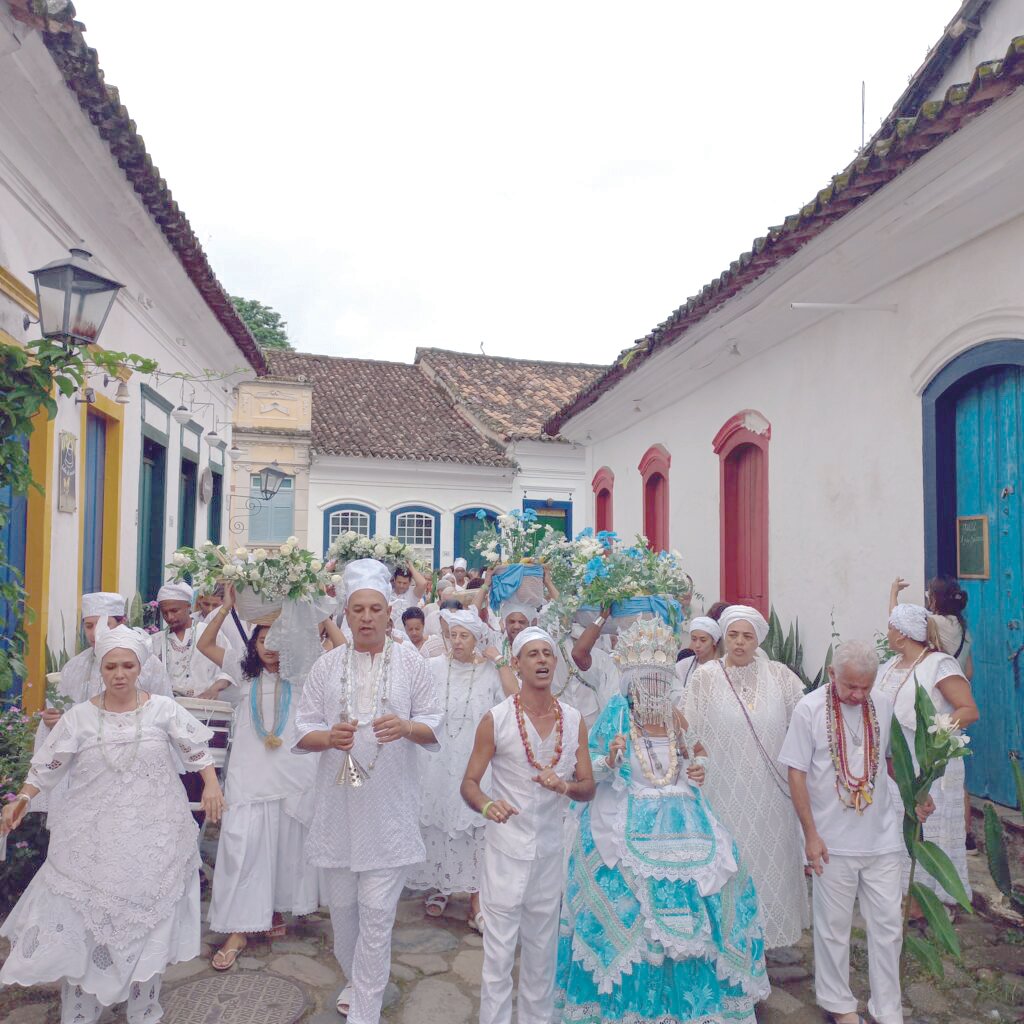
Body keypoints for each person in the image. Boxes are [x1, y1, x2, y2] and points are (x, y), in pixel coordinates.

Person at [0, 625, 225, 1024]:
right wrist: (23, 797)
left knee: (150, 921)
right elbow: (48, 767)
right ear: (100, 669)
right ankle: (81, 1012)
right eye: (111, 666)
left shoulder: (163, 710)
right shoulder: (78, 718)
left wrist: (211, 786)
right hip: (90, 840)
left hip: (154, 836)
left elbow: (197, 752)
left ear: (140, 668)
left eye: (127, 665)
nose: (119, 673)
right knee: (82, 922)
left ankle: (144, 1008)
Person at [556, 618, 768, 1024]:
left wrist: (697, 767)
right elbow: (585, 771)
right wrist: (610, 761)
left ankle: (695, 1006)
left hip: (686, 821)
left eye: (659, 681)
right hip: (625, 815)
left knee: (726, 884)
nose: (653, 689)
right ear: (632, 683)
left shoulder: (675, 719)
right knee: (625, 903)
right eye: (646, 681)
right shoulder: (617, 717)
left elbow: (694, 754)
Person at [294, 559, 443, 1021]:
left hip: (389, 812)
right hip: (337, 809)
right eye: (357, 609)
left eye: (375, 609)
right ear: (346, 612)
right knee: (343, 915)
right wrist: (327, 738)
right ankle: (357, 981)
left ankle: (366, 1010)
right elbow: (303, 730)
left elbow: (434, 725)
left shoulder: (414, 666)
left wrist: (406, 726)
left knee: (376, 914)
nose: (365, 617)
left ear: (389, 613)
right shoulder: (326, 665)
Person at [781, 640, 935, 1024]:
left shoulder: (880, 704)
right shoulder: (809, 708)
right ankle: (838, 1005)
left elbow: (890, 759)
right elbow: (796, 772)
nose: (858, 694)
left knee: (887, 926)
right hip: (831, 841)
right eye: (851, 686)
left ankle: (888, 1009)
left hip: (881, 838)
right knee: (833, 929)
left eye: (866, 686)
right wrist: (810, 835)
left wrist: (916, 792)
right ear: (832, 674)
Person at [196, 586, 337, 969]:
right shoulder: (241, 676)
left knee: (283, 845)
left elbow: (341, 652)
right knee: (244, 845)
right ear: (253, 644)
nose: (270, 647)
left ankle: (273, 910)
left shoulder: (307, 675)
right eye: (262, 639)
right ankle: (239, 928)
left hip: (293, 775)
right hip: (249, 778)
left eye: (278, 639)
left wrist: (317, 611)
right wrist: (226, 608)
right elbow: (205, 643)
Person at [461, 626, 595, 1024]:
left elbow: (588, 786)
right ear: (516, 664)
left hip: (551, 854)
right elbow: (469, 783)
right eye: (532, 654)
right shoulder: (497, 720)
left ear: (555, 662)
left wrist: (566, 785)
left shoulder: (573, 721)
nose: (541, 660)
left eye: (547, 654)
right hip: (506, 852)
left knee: (542, 956)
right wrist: (488, 806)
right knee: (498, 957)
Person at [685, 604, 809, 949]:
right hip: (723, 791)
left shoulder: (781, 676)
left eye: (747, 636)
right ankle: (731, 944)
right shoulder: (705, 677)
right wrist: (695, 762)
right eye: (733, 635)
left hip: (771, 794)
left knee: (771, 865)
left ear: (758, 640)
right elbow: (688, 727)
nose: (739, 643)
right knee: (732, 864)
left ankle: (769, 944)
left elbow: (806, 721)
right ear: (724, 637)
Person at [876, 602, 979, 905]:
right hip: (896, 766)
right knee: (898, 831)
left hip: (927, 762)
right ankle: (904, 900)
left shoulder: (939, 664)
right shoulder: (890, 666)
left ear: (903, 633)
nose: (888, 631)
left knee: (928, 832)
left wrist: (934, 737)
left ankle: (934, 901)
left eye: (892, 626)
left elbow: (969, 710)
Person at [407, 609, 505, 929]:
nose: (458, 642)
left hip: (475, 757)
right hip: (439, 757)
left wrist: (501, 661)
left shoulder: (490, 672)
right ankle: (440, 885)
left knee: (474, 825)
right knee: (439, 820)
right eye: (454, 635)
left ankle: (477, 896)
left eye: (465, 636)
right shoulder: (432, 667)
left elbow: (514, 702)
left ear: (478, 639)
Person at [154, 582, 233, 698]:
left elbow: (231, 668)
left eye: (174, 611)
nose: (169, 617)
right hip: (169, 710)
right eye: (165, 613)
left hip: (205, 709)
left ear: (188, 606)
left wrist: (214, 689)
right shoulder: (155, 641)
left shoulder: (208, 633)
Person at [672, 615, 721, 706]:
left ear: (714, 641)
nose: (697, 645)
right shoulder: (683, 666)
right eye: (694, 639)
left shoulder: (722, 667)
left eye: (703, 640)